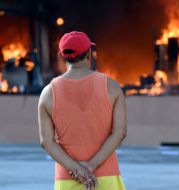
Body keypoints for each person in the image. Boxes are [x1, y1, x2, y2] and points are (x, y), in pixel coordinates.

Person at [38, 31, 127, 190]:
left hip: (68, 179)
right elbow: (120, 132)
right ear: (89, 54)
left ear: (62, 56)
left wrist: (77, 169)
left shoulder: (48, 93)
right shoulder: (112, 87)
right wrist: (92, 165)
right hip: (107, 177)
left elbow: (47, 141)